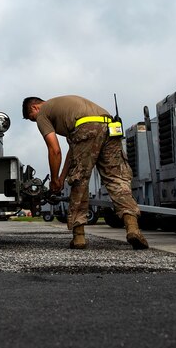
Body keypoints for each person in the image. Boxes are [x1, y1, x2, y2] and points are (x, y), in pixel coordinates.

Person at [22, 95, 147, 250]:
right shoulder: (67, 109)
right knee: (117, 179)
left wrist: (53, 180)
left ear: (34, 107)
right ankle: (133, 228)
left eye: (32, 118)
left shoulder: (42, 113)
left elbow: (54, 150)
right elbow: (73, 151)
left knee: (79, 180)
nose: (35, 121)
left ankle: (79, 236)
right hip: (110, 126)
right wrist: (61, 178)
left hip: (86, 129)